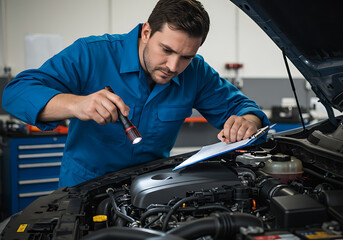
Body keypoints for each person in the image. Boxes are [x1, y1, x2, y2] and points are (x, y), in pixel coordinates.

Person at [2, 0, 269, 187]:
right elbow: (16, 92)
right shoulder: (91, 53)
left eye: (186, 56)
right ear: (146, 32)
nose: (173, 67)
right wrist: (76, 105)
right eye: (166, 50)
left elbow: (244, 108)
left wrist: (248, 121)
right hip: (83, 187)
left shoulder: (196, 72)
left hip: (152, 188)